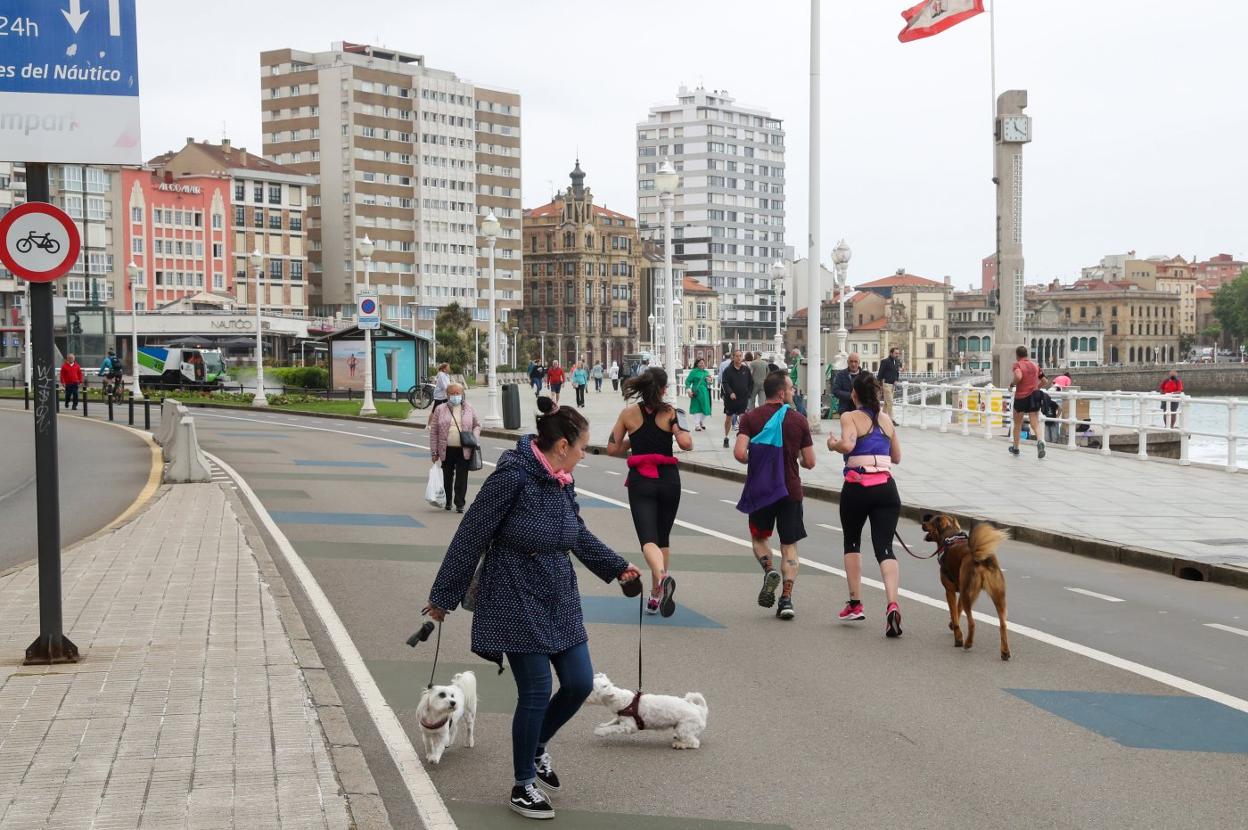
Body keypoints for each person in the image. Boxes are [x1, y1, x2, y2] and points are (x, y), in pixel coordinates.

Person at [424, 399, 641, 820]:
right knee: (537, 691)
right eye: (581, 448)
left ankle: (535, 746)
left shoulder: (561, 479)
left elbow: (574, 531)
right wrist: (442, 598)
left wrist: (616, 568)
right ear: (561, 445)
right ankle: (523, 783)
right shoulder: (513, 478)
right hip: (514, 594)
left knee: (579, 683)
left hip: (558, 594)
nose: (584, 454)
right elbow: (470, 535)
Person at [608, 367, 693, 616]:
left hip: (641, 481)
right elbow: (687, 444)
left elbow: (612, 449)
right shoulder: (673, 413)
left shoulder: (627, 414)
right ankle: (657, 593)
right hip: (669, 481)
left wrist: (633, 441)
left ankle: (662, 578)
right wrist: (675, 429)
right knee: (663, 537)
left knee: (648, 540)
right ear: (665, 389)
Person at [826, 371, 904, 637]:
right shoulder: (886, 420)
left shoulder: (850, 417)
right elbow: (897, 457)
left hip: (858, 487)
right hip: (886, 489)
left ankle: (855, 603)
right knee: (885, 549)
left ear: (855, 394)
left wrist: (833, 444)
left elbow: (848, 446)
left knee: (852, 541)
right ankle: (892, 603)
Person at [734, 371, 815, 620]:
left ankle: (769, 569)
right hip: (790, 490)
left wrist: (758, 460)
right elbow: (810, 461)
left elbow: (739, 453)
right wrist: (796, 456)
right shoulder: (799, 420)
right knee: (789, 546)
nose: (793, 392)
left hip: (762, 490)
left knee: (759, 539)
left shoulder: (750, 418)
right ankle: (787, 598)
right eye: (790, 389)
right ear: (781, 393)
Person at [429, 383, 481, 513]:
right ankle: (447, 501)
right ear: (447, 395)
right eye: (453, 393)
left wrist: (474, 437)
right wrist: (434, 451)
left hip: (464, 448)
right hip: (446, 448)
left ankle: (459, 503)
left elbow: (477, 425)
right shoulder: (440, 409)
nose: (455, 396)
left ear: (462, 394)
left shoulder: (469, 408)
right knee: (447, 475)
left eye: (458, 393)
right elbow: (434, 431)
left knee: (462, 477)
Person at [1008, 345, 1045, 458]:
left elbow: (1018, 376)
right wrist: (1036, 388)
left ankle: (1016, 448)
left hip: (1021, 397)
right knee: (1035, 423)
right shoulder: (1035, 365)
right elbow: (1044, 380)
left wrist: (1012, 384)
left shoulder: (1017, 364)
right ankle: (1040, 442)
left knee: (1018, 424)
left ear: (1017, 355)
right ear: (1027, 354)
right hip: (1034, 396)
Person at [720, 349, 753, 449]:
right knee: (729, 418)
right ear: (733, 357)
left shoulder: (745, 369)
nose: (739, 358)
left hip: (743, 398)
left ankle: (743, 440)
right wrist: (730, 393)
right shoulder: (728, 370)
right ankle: (726, 437)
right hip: (731, 399)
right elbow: (724, 383)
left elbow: (751, 383)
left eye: (740, 356)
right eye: (737, 356)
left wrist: (749, 394)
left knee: (743, 419)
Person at [684, 358, 712, 430]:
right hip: (696, 392)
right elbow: (687, 381)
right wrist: (689, 391)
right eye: (700, 363)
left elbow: (710, 383)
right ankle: (697, 425)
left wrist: (710, 381)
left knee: (706, 407)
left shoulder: (706, 373)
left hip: (705, 392)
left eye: (703, 363)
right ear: (697, 364)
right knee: (697, 407)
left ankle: (701, 421)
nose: (702, 364)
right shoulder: (693, 372)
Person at [831, 353, 862, 417]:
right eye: (851, 361)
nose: (853, 364)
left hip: (861, 410)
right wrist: (851, 396)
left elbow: (871, 391)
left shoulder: (865, 375)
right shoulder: (840, 375)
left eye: (855, 361)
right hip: (845, 410)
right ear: (847, 362)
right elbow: (835, 391)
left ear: (859, 363)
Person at [877, 347, 902, 419]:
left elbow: (897, 372)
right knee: (890, 402)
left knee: (886, 403)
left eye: (898, 353)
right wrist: (879, 385)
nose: (897, 355)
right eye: (896, 353)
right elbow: (880, 373)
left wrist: (896, 380)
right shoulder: (885, 361)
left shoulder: (897, 361)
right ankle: (891, 420)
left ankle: (882, 418)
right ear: (891, 353)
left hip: (893, 385)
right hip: (886, 384)